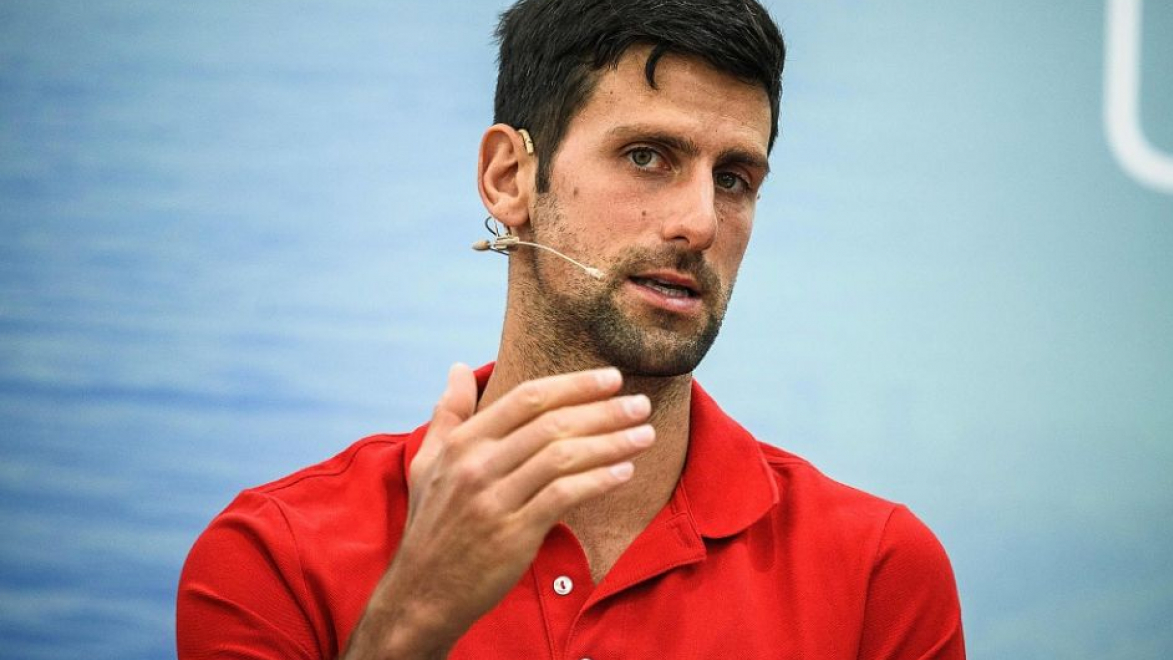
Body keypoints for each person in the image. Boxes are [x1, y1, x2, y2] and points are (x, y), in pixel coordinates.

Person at [177, 0, 966, 658]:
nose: (700, 222)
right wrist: (413, 620)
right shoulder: (275, 556)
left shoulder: (878, 572)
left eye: (733, 179)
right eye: (648, 156)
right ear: (510, 178)